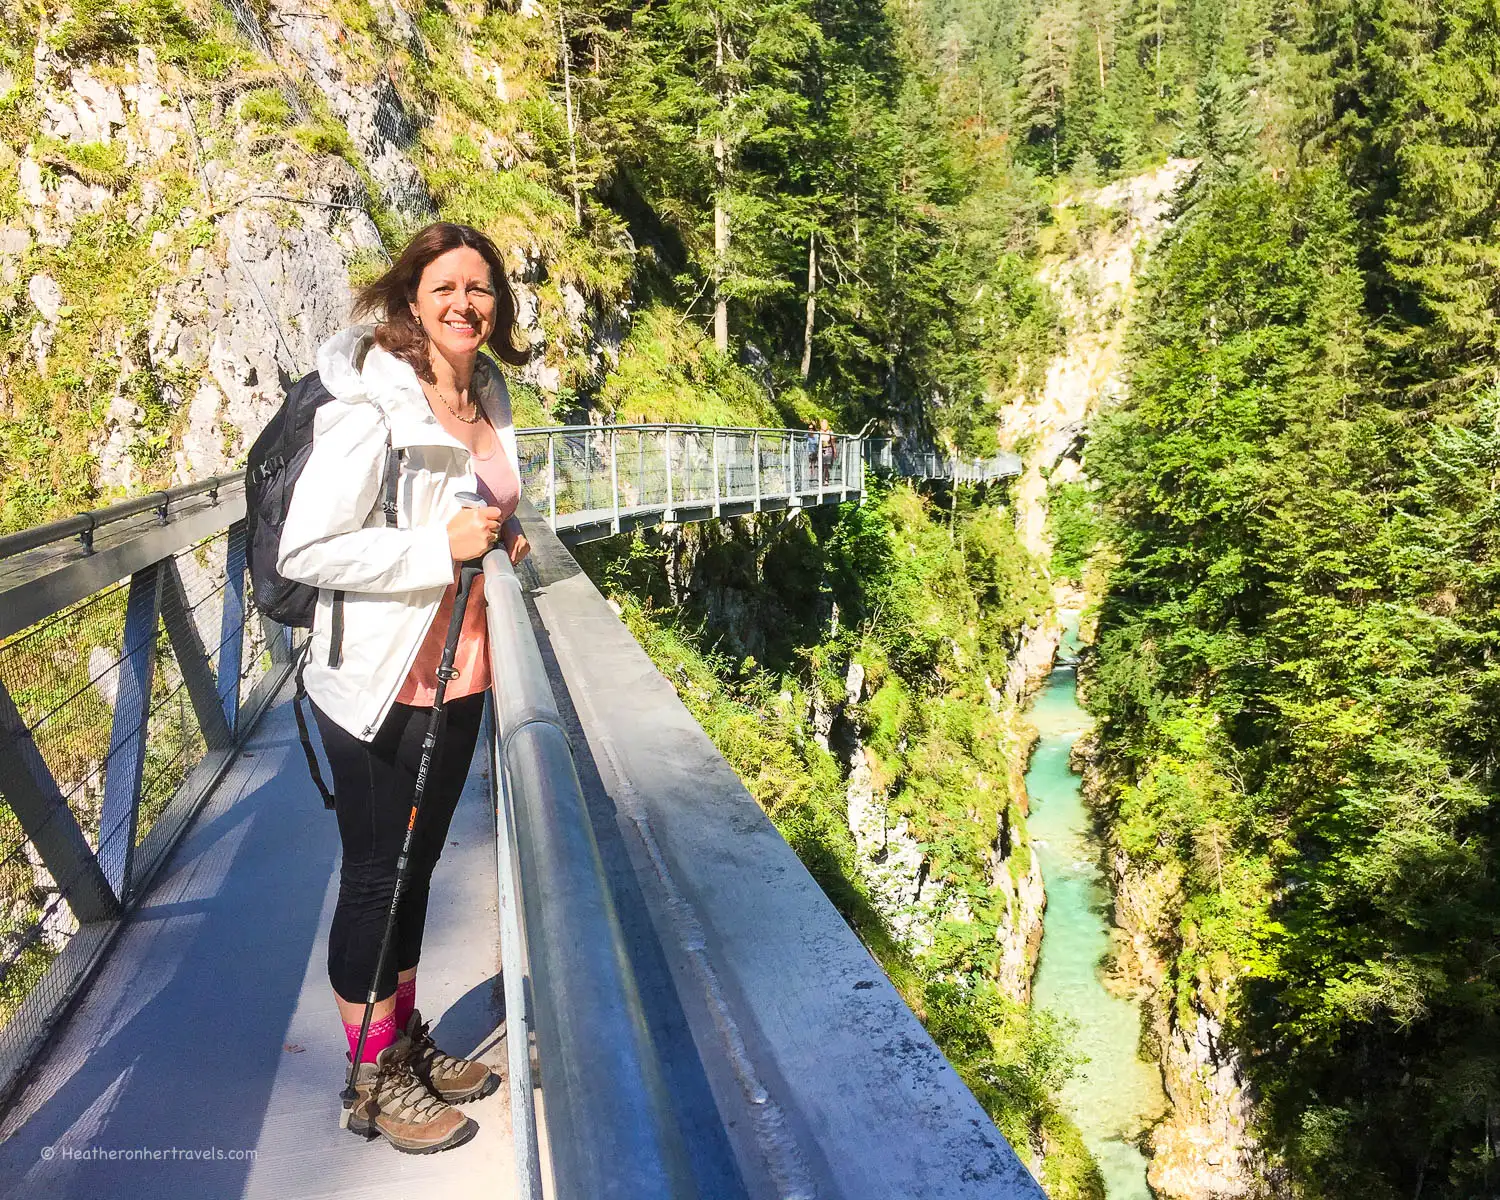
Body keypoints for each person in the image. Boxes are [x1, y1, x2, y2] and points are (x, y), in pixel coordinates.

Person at [278, 222, 532, 1155]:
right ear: (411, 298)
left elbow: (487, 503)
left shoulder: (489, 394)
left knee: (416, 872)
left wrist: (504, 534)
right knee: (377, 877)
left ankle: (404, 1042)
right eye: (447, 287)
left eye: (482, 289)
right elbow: (306, 548)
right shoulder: (372, 404)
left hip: (460, 676)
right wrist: (439, 549)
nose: (466, 303)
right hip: (381, 684)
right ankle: (371, 1074)